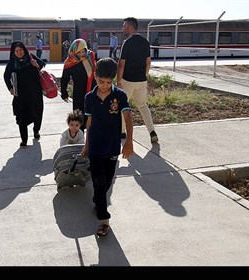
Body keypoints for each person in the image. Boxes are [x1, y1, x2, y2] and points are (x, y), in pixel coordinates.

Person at [82, 57, 134, 237]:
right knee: (98, 180)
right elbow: (88, 122)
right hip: (95, 145)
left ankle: (98, 200)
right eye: (100, 81)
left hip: (112, 146)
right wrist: (86, 145)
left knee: (108, 180)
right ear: (95, 76)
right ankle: (104, 221)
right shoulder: (89, 97)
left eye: (108, 82)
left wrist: (129, 141)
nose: (104, 85)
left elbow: (127, 117)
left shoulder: (119, 95)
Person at [117, 17, 159, 143]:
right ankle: (152, 131)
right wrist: (144, 75)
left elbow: (121, 63)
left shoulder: (127, 42)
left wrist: (118, 81)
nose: (122, 28)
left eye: (124, 26)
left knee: (123, 106)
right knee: (143, 106)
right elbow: (148, 62)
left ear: (130, 27)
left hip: (127, 81)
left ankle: (122, 133)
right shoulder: (145, 42)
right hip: (141, 81)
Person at [3, 41, 45, 147]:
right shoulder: (12, 63)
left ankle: (36, 131)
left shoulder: (30, 57)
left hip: (35, 93)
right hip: (21, 95)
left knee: (37, 113)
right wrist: (10, 88)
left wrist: (37, 65)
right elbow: (6, 76)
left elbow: (42, 64)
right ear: (13, 52)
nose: (19, 52)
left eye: (21, 50)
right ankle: (24, 139)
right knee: (21, 117)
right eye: (16, 51)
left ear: (24, 50)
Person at [60, 38, 97, 131]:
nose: (81, 55)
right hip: (78, 93)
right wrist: (64, 93)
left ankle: (91, 138)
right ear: (74, 51)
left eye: (83, 51)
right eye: (78, 52)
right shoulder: (69, 62)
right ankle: (80, 137)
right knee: (79, 117)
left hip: (92, 91)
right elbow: (64, 79)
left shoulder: (90, 57)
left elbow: (96, 74)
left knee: (92, 116)